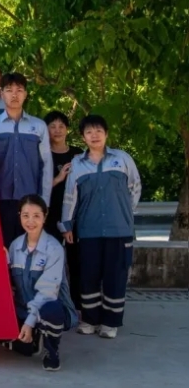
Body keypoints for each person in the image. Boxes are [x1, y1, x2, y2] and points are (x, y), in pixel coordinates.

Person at [60, 115, 141, 339]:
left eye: (98, 131)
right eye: (89, 132)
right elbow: (70, 197)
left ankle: (110, 323)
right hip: (89, 229)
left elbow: (135, 187)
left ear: (106, 134)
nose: (94, 135)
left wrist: (125, 213)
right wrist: (66, 224)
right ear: (83, 137)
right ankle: (89, 320)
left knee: (116, 276)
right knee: (89, 275)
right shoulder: (78, 163)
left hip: (119, 230)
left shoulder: (122, 159)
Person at [2, 194, 78, 371]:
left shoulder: (54, 248)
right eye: (25, 215)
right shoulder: (14, 246)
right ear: (19, 216)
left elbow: (48, 292)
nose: (30, 221)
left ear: (45, 216)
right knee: (23, 347)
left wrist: (29, 323)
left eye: (36, 215)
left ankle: (51, 351)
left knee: (50, 309)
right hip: (23, 309)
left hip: (48, 308)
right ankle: (31, 341)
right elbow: (9, 284)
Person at [0, 72, 53, 248]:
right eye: (9, 90)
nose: (14, 95)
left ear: (26, 94)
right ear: (2, 94)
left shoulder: (38, 126)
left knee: (28, 248)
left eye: (19, 90)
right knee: (2, 248)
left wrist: (44, 202)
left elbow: (46, 166)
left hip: (31, 200)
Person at [43, 111, 84, 309]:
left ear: (67, 129)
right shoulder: (42, 154)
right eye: (52, 126)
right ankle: (52, 304)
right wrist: (58, 178)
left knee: (76, 261)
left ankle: (77, 305)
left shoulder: (78, 154)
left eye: (61, 126)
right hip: (50, 214)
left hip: (75, 215)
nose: (57, 130)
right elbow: (38, 187)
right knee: (50, 260)